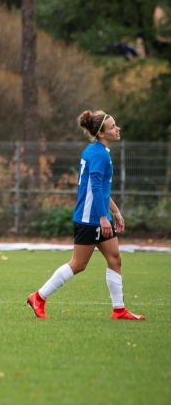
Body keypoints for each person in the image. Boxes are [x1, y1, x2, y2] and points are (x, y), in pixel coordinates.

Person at [27, 111, 145, 321]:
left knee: (115, 259)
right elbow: (96, 186)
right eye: (112, 126)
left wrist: (115, 212)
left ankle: (119, 310)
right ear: (101, 134)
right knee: (78, 264)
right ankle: (38, 297)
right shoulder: (99, 154)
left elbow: (100, 189)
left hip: (97, 215)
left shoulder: (97, 151)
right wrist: (102, 217)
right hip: (90, 218)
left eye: (115, 124)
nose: (117, 128)